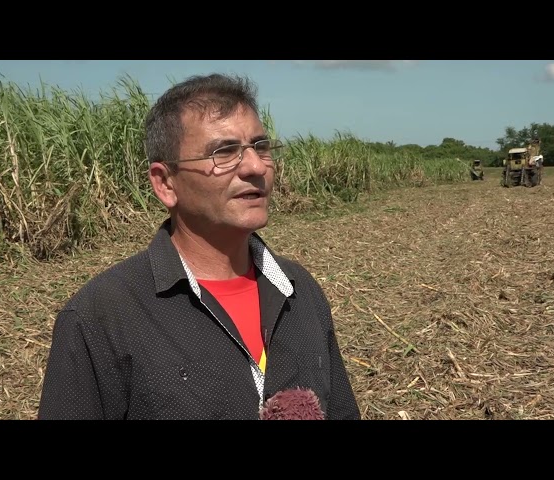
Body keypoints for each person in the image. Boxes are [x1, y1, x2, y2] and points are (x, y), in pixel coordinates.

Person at [37, 73, 361, 420]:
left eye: (261, 146)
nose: (255, 167)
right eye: (224, 152)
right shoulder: (101, 318)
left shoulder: (301, 292)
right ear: (165, 184)